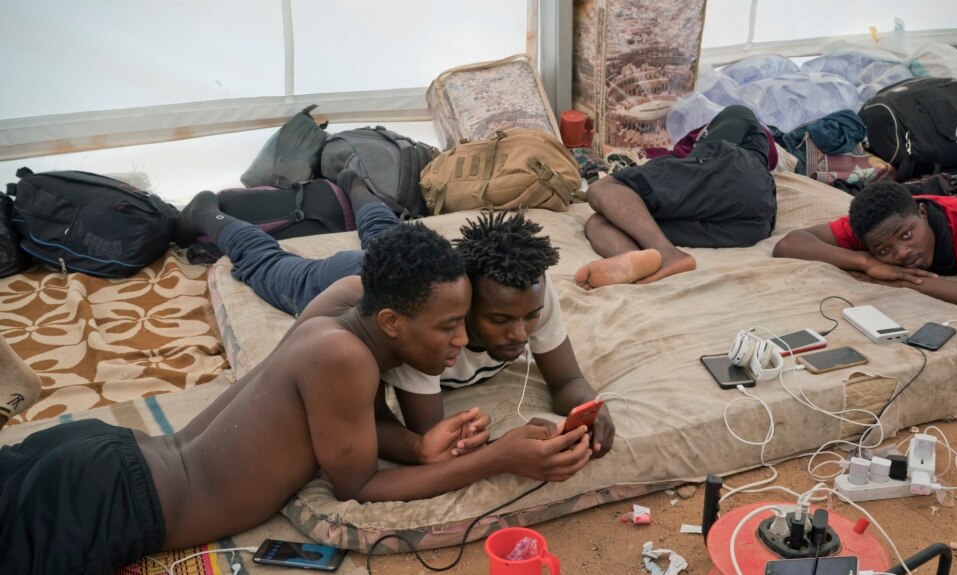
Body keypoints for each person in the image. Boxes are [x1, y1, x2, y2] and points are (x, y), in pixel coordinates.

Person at [0, 223, 593, 574]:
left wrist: (417, 446)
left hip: (105, 454)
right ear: (390, 320)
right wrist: (500, 457)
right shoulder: (345, 360)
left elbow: (335, 419)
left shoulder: (342, 302)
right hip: (121, 500)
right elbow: (357, 487)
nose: (462, 342)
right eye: (447, 328)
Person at [175, 178, 616, 456]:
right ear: (462, 305)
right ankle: (205, 211)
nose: (520, 334)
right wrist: (513, 449)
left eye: (530, 318)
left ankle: (358, 185)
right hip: (357, 278)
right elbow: (432, 434)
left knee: (390, 234)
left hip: (415, 267)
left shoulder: (528, 292)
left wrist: (586, 412)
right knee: (269, 269)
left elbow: (566, 380)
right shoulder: (421, 333)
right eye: (500, 320)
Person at [772, 133, 957, 315]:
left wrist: (905, 280)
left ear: (922, 213)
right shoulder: (877, 225)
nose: (901, 254)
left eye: (906, 235)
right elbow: (790, 243)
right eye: (883, 251)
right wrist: (867, 262)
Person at [574, 105, 777, 289]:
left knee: (606, 188)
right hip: (754, 224)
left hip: (738, 175)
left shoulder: (736, 112)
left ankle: (668, 255)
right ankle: (636, 263)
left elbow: (698, 161)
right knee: (601, 222)